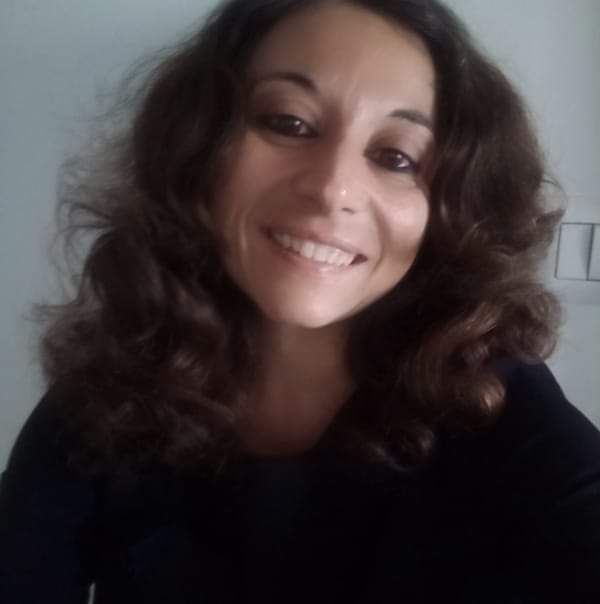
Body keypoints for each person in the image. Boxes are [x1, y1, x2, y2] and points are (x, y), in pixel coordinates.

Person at [1, 0, 599, 602]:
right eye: (288, 122)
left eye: (396, 157)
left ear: (448, 213)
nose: (332, 188)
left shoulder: (494, 402)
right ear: (200, 148)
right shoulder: (120, 374)